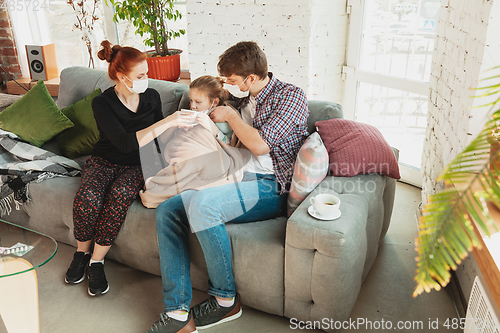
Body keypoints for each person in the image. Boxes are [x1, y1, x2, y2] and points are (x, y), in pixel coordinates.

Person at [148, 41, 309, 333]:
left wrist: (232, 117)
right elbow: (213, 116)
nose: (228, 85)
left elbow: (260, 146)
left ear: (250, 78)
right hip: (233, 175)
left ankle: (225, 301)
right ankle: (177, 311)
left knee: (202, 205)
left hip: (270, 186)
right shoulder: (243, 100)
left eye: (232, 81)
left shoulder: (291, 96)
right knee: (168, 209)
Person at [64, 40, 191, 296]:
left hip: (138, 164)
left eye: (148, 74)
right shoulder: (103, 103)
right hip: (104, 160)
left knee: (120, 195)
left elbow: (158, 140)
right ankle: (81, 254)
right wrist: (166, 121)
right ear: (122, 77)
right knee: (88, 198)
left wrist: (176, 129)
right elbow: (122, 143)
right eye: (141, 75)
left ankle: (97, 262)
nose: (147, 79)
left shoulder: (152, 97)